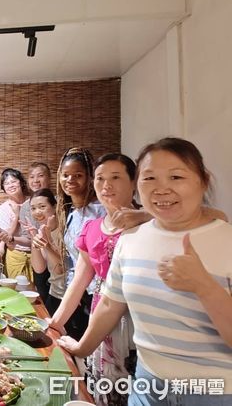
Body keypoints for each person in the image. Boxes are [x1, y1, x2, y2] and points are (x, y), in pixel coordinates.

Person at [58, 138, 232, 405]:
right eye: (149, 178)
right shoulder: (131, 239)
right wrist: (81, 347)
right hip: (147, 385)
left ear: (204, 181)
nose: (161, 189)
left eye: (176, 177)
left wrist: (205, 287)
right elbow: (109, 304)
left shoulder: (225, 239)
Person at [50, 153, 140, 406]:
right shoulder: (92, 227)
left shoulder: (152, 224)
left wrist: (148, 217)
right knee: (103, 389)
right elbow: (79, 282)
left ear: (134, 182)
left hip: (140, 319)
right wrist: (53, 324)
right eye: (100, 178)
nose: (106, 185)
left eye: (115, 177)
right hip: (101, 315)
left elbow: (213, 217)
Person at [54, 147, 104, 340]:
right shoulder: (72, 214)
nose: (70, 180)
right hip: (77, 292)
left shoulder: (100, 211)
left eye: (78, 175)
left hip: (97, 293)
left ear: (89, 177)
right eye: (65, 175)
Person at [23, 189, 64, 311]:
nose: (37, 212)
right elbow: (39, 268)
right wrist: (34, 237)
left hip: (71, 296)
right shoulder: (42, 230)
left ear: (54, 206)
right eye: (33, 208)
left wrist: (46, 244)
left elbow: (61, 268)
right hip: (55, 292)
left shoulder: (65, 230)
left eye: (42, 206)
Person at [0, 168, 32, 279]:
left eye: (13, 181)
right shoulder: (3, 209)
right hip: (15, 252)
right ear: (3, 188)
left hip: (36, 251)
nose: (10, 185)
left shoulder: (33, 202)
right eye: (6, 183)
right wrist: (16, 216)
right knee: (16, 289)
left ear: (21, 182)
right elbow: (6, 236)